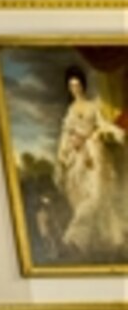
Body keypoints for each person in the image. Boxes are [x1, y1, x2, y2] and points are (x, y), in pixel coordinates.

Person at [54, 66, 126, 257]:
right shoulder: (70, 110)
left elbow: (101, 124)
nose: (75, 89)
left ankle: (72, 238)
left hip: (94, 154)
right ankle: (110, 238)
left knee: (96, 195)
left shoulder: (93, 105)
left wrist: (116, 132)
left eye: (77, 85)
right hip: (75, 157)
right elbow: (66, 134)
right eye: (71, 86)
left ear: (83, 85)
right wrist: (63, 153)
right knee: (83, 198)